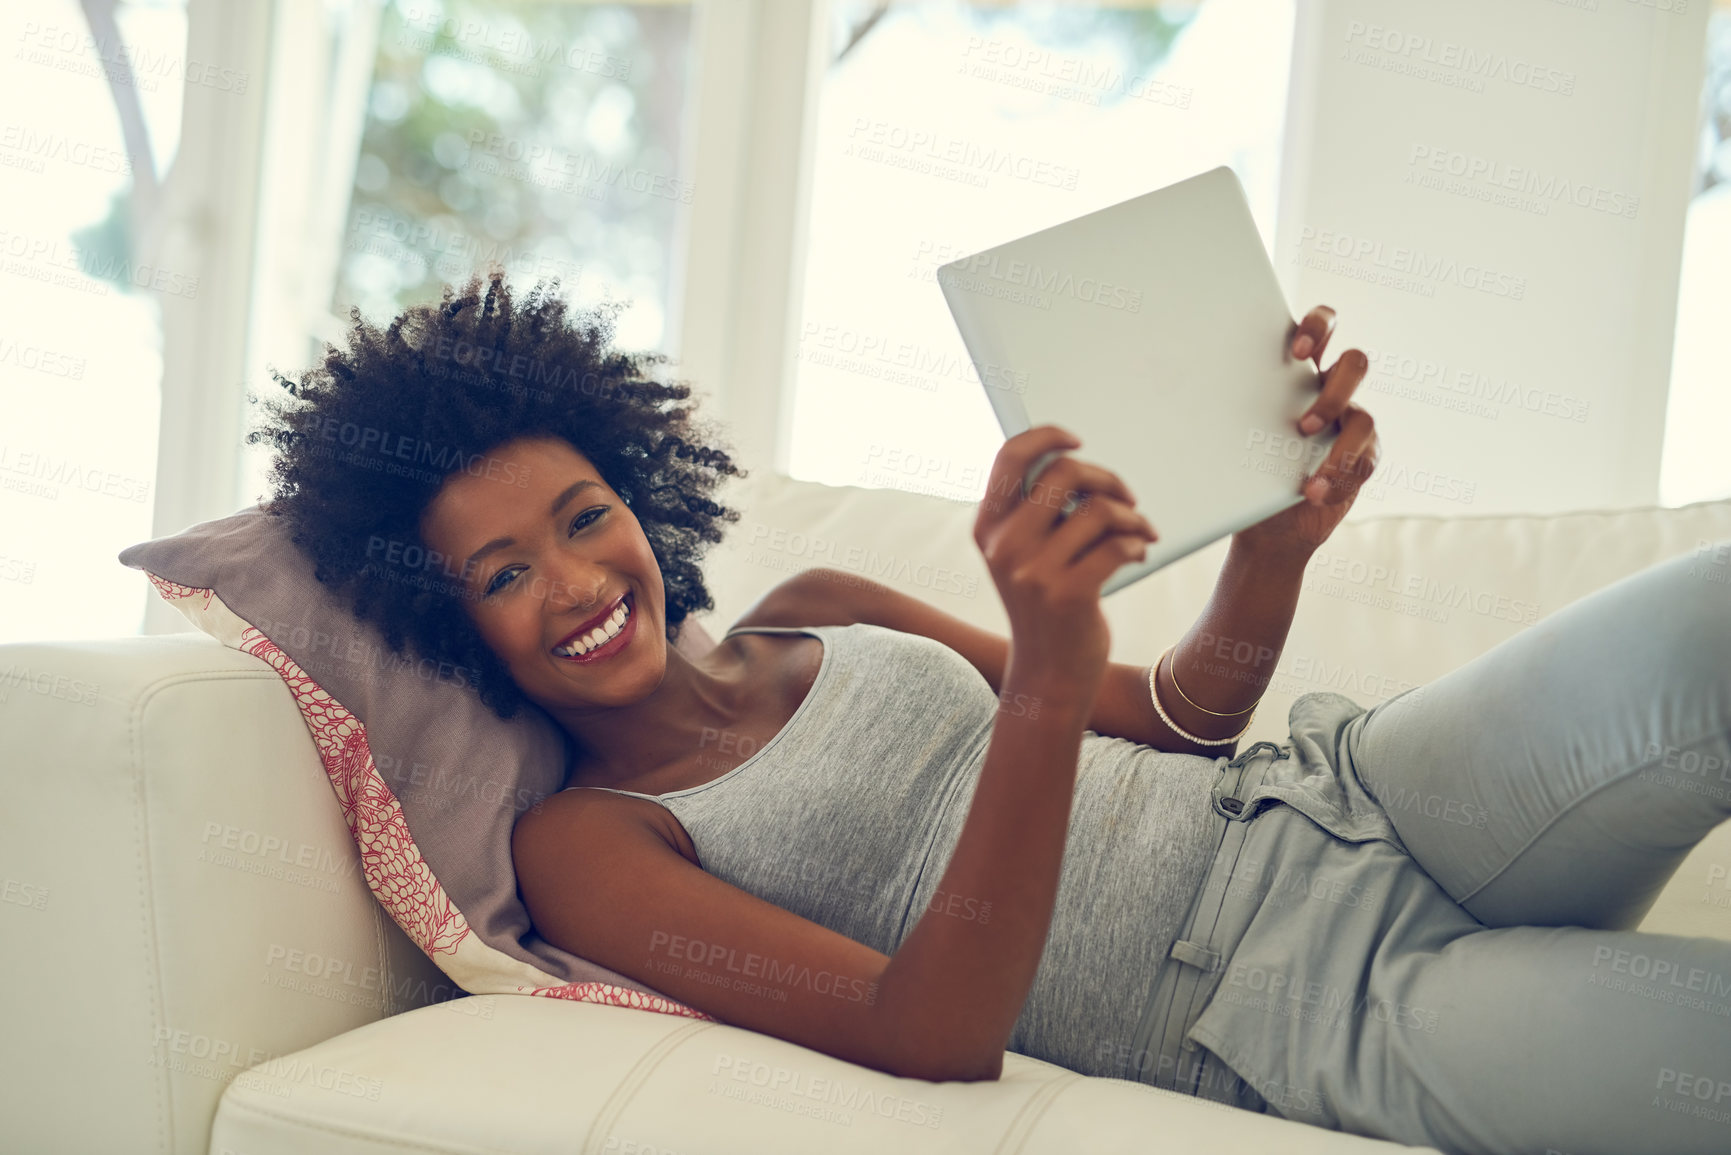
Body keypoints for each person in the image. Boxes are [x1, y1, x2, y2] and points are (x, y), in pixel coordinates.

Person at [251, 265, 1731, 1155]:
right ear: (448, 621)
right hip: (1286, 1003)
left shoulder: (820, 599)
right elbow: (931, 1028)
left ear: (642, 495)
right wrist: (1037, 672)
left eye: (585, 517)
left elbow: (1177, 713)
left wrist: (1272, 549)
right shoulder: (591, 841)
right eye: (506, 573)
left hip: (1364, 792)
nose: (576, 581)